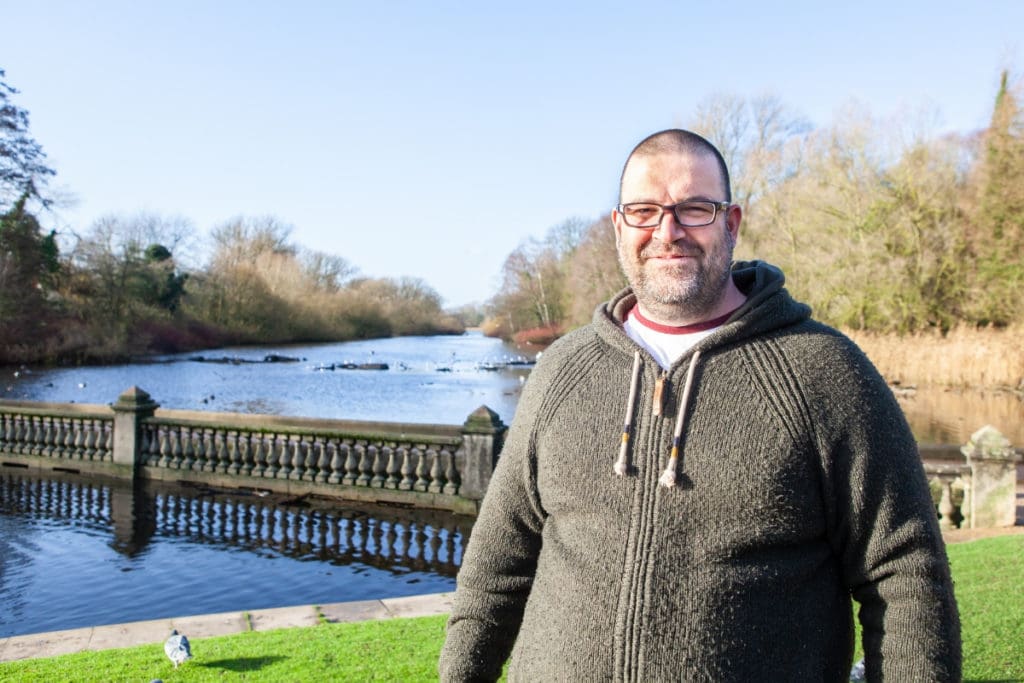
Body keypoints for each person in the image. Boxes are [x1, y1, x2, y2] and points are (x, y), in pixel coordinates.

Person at [439, 129, 961, 681]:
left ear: (730, 223)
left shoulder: (824, 371)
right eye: (644, 211)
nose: (668, 231)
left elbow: (905, 578)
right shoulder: (561, 369)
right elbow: (496, 565)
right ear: (620, 227)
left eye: (694, 209)